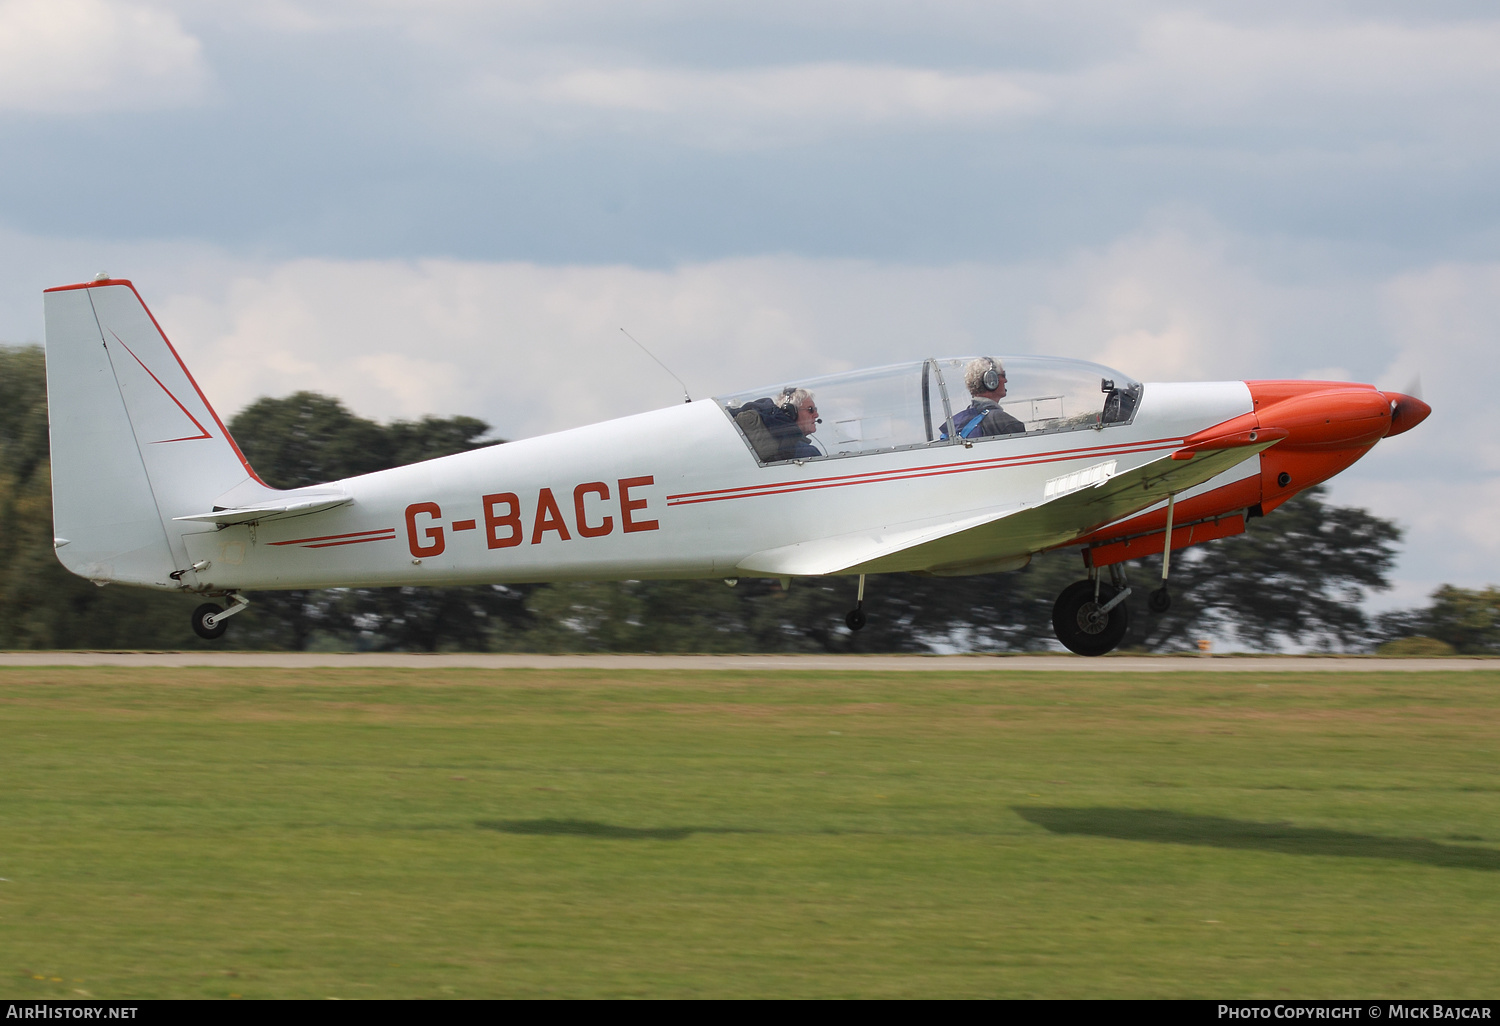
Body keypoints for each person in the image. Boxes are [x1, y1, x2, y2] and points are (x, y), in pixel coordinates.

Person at [734, 387, 822, 462]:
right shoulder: (807, 453)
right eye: (810, 409)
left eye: (815, 409)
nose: (816, 414)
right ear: (790, 412)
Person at [945, 357, 1024, 439]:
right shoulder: (1003, 421)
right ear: (991, 379)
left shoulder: (962, 421)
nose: (1005, 380)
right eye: (1003, 375)